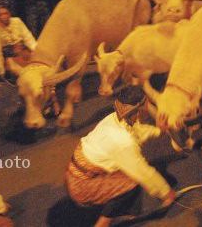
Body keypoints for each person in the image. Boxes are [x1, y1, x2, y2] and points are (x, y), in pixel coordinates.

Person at [65, 86, 175, 227]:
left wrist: (159, 130)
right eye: (146, 104)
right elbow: (143, 173)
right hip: (81, 186)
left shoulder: (115, 119)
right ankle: (102, 223)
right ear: (138, 110)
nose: (149, 108)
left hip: (74, 175)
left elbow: (137, 131)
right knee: (131, 181)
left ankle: (118, 210)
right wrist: (166, 193)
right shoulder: (123, 142)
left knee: (128, 170)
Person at [0, 5, 37, 79]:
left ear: (9, 14)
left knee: (38, 67)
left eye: (6, 13)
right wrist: (1, 71)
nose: (4, 16)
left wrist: (36, 51)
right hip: (10, 58)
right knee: (25, 75)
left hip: (24, 53)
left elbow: (28, 37)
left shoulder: (17, 21)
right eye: (1, 14)